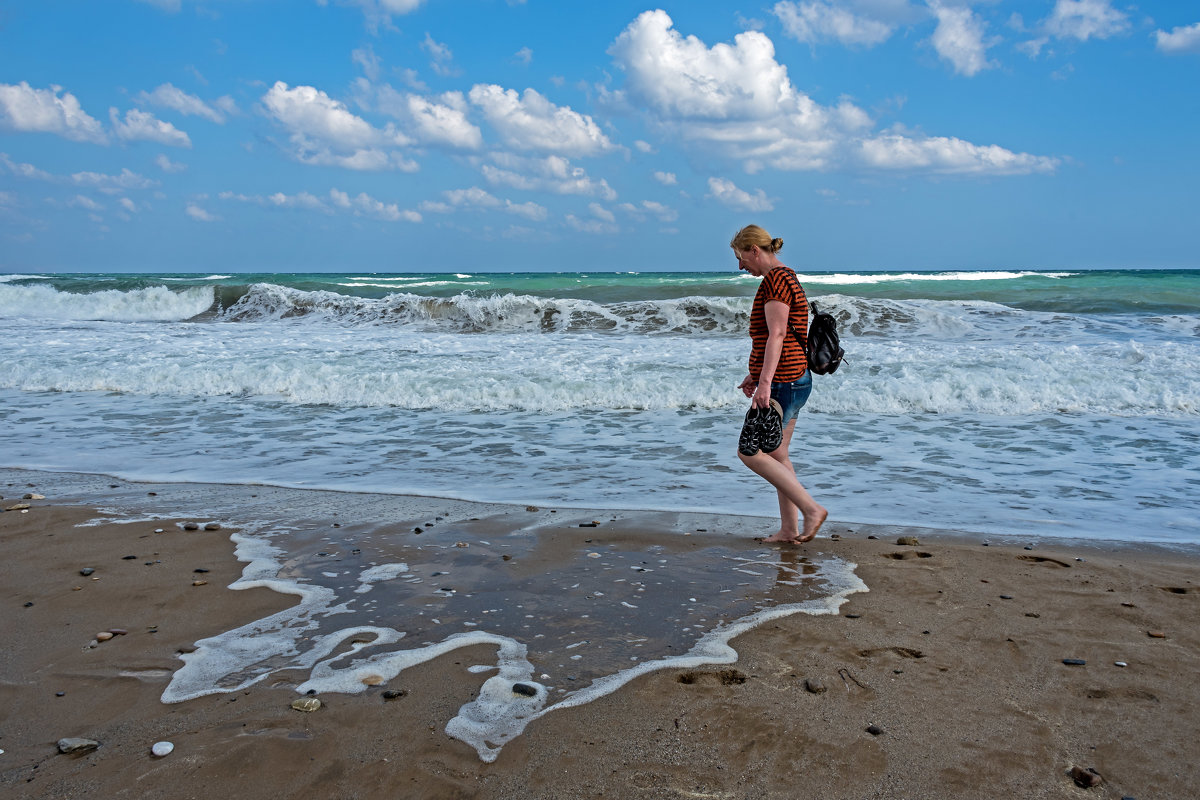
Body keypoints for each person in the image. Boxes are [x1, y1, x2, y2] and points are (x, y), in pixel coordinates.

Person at [731, 224, 827, 543]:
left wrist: (765, 384)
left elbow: (778, 334)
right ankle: (790, 528)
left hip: (784, 381)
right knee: (778, 454)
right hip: (794, 378)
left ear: (754, 250)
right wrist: (756, 375)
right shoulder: (785, 277)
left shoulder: (777, 281)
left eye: (741, 257)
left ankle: (811, 509)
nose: (741, 265)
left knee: (749, 451)